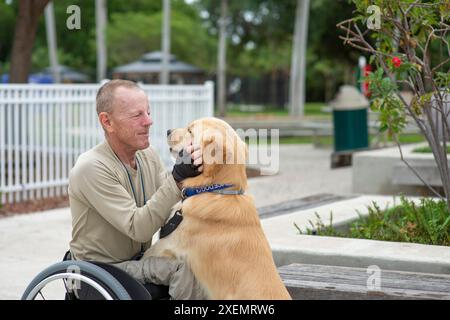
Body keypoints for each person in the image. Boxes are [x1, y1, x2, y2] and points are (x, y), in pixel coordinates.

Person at [68, 79, 205, 299]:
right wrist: (177, 177)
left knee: (201, 263)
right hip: (98, 271)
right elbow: (138, 228)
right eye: (137, 115)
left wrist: (196, 179)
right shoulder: (91, 167)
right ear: (107, 122)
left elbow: (170, 204)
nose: (149, 121)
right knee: (185, 270)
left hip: (136, 262)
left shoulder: (147, 155)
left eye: (148, 112)